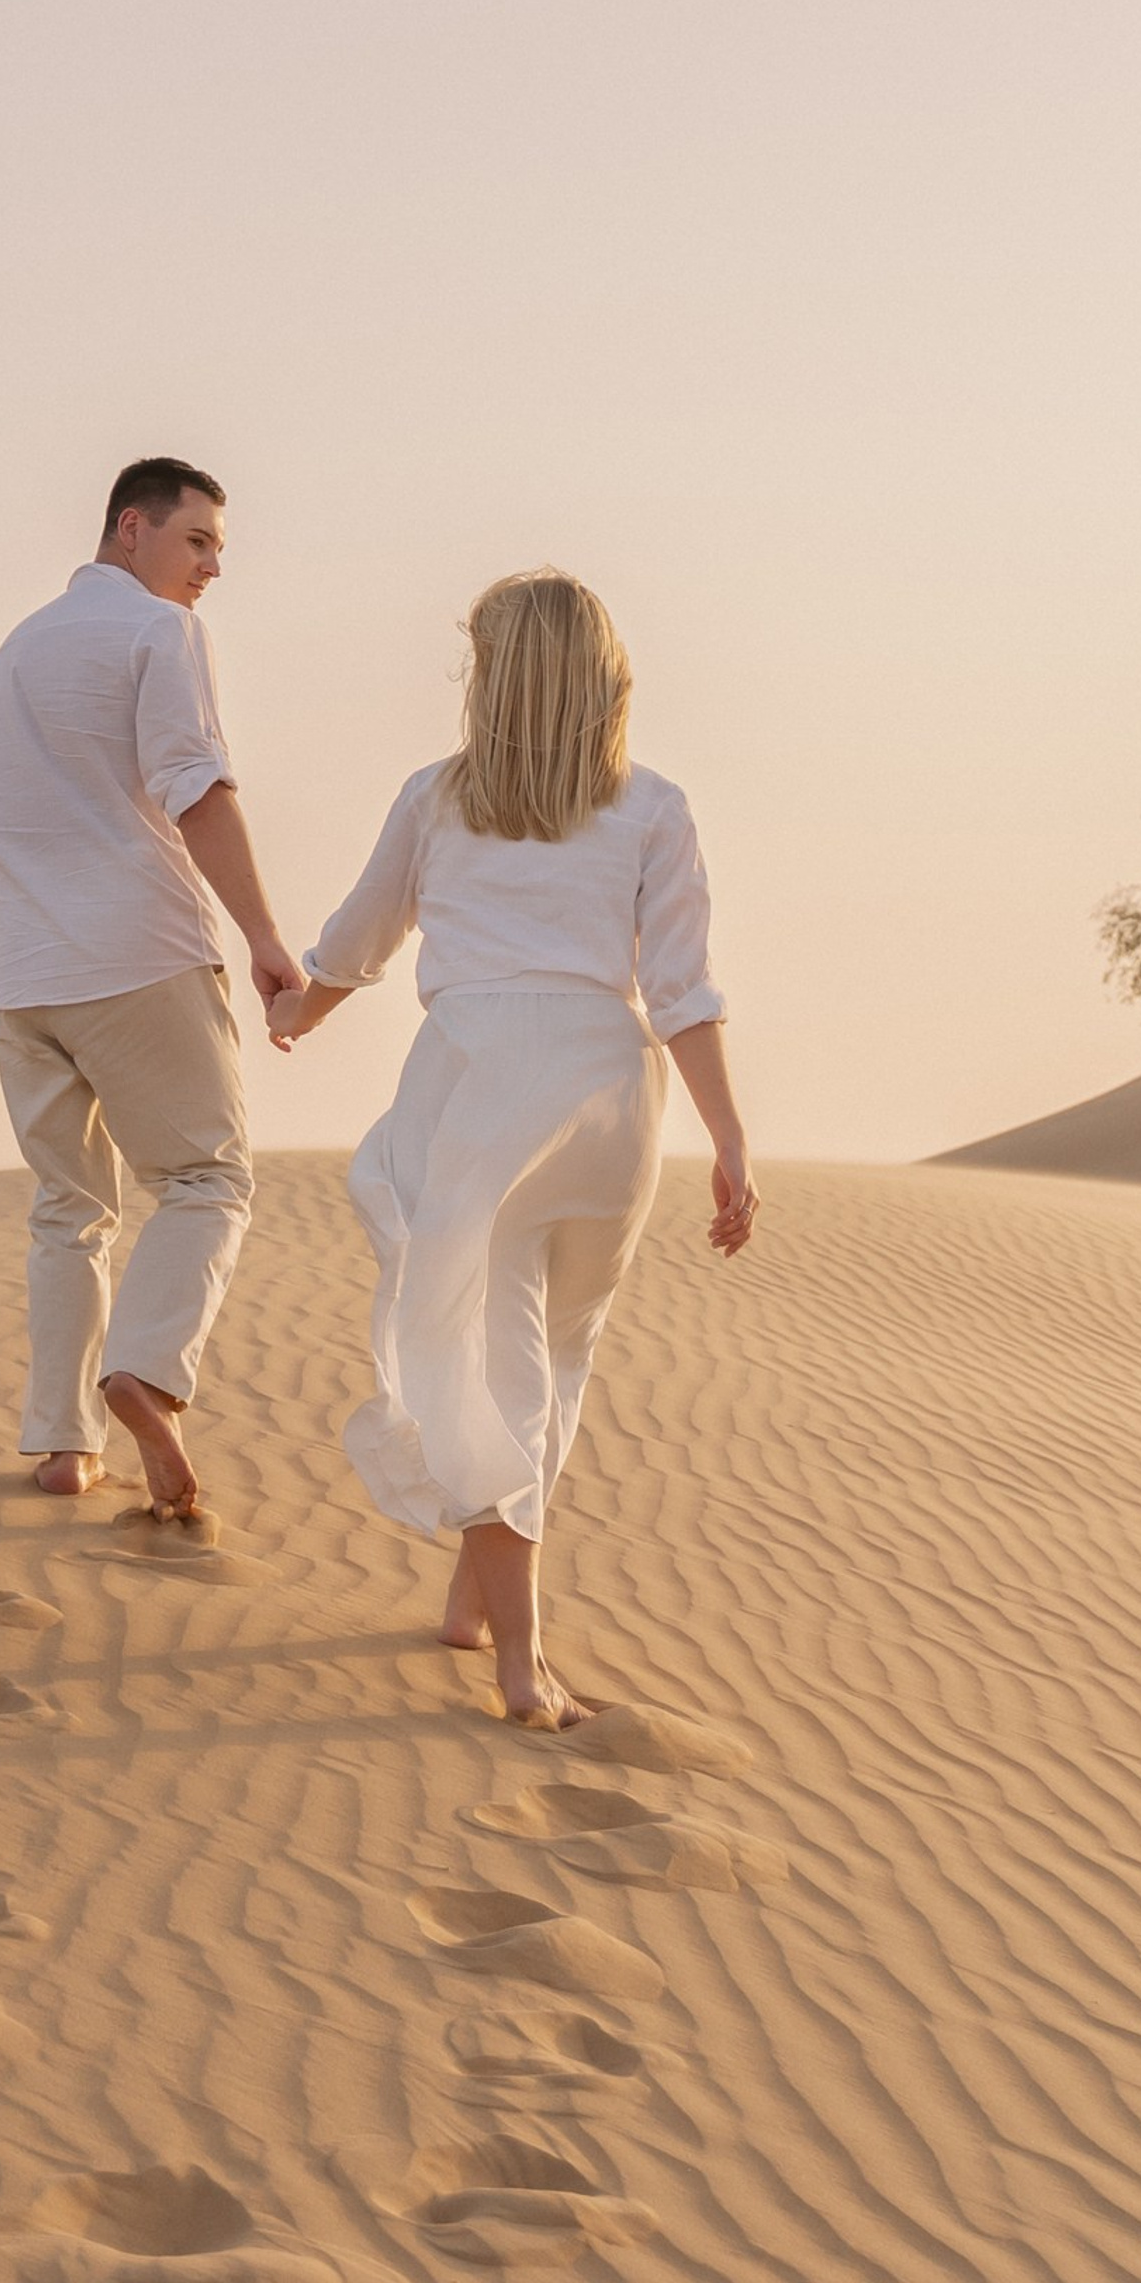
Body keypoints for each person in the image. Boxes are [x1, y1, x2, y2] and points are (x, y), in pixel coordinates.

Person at [268, 569, 755, 1726]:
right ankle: (473, 1604)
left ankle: (521, 1665)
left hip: (479, 1081)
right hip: (608, 1095)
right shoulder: (654, 806)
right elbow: (682, 991)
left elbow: (355, 940)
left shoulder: (436, 801)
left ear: (490, 680)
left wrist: (298, 1014)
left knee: (497, 1361)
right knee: (555, 1354)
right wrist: (729, 1141)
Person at [0, 457, 301, 1518]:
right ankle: (145, 1369)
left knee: (68, 1208)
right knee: (204, 1181)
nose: (211, 571)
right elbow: (195, 786)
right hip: (137, 954)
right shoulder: (158, 633)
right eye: (197, 543)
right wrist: (264, 935)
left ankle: (63, 1446)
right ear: (130, 527)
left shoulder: (2, 664)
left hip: (24, 978)